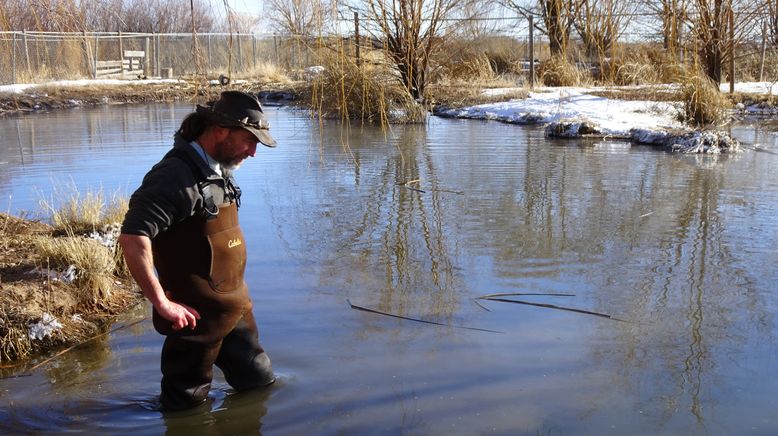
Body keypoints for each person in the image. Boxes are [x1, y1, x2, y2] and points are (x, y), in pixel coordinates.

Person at [118, 90, 277, 411]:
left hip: (234, 308)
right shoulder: (174, 176)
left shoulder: (218, 170)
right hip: (194, 319)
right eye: (249, 141)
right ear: (220, 130)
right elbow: (133, 237)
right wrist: (161, 302)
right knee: (186, 406)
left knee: (259, 381)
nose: (254, 152)